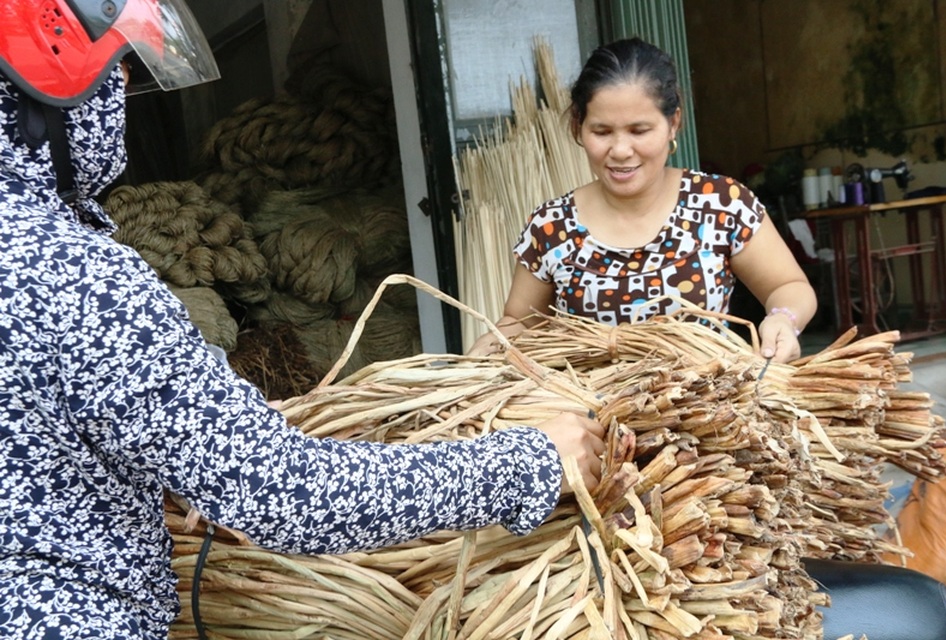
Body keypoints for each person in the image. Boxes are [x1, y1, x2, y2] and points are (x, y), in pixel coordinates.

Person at [0, 1, 605, 637]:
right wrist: (528, 462)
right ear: (51, 88)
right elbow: (282, 490)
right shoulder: (70, 274)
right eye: (119, 78)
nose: (122, 106)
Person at [470, 38, 817, 364]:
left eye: (639, 131)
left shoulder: (721, 204)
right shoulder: (551, 227)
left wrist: (784, 319)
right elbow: (520, 321)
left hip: (709, 414)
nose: (621, 151)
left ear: (673, 123)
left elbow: (789, 287)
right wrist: (494, 344)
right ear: (578, 126)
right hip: (593, 419)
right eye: (602, 132)